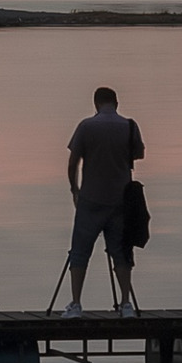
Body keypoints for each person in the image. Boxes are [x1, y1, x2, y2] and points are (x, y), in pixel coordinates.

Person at [64, 85, 144, 317]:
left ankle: (76, 304)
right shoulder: (130, 125)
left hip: (90, 198)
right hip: (121, 200)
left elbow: (72, 163)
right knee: (121, 252)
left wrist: (74, 189)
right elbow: (138, 154)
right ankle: (126, 303)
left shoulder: (86, 126)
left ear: (95, 104)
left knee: (80, 251)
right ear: (116, 103)